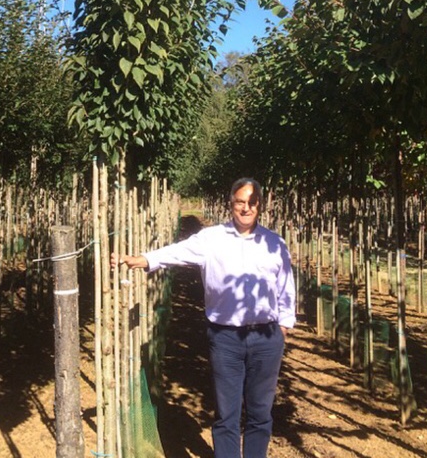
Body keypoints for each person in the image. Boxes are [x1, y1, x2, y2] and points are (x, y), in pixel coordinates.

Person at [111, 177, 295, 458]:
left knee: (260, 412)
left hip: (265, 338)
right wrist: (142, 259)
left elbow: (286, 286)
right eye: (240, 202)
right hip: (226, 339)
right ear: (230, 204)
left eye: (252, 202)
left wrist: (283, 326)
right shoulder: (211, 239)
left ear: (260, 205)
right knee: (226, 413)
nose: (246, 208)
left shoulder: (274, 243)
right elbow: (176, 252)